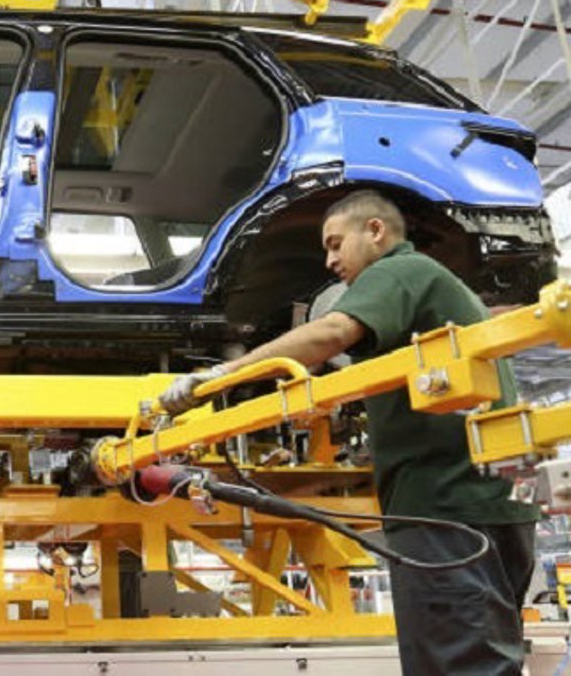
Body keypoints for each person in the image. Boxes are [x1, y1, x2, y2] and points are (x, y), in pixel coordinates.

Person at [161, 190, 539, 676]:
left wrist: (220, 375)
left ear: (375, 231)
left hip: (445, 506)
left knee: (458, 665)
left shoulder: (399, 270)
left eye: (336, 244)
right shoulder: (442, 289)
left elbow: (331, 332)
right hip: (494, 505)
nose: (329, 261)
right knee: (484, 656)